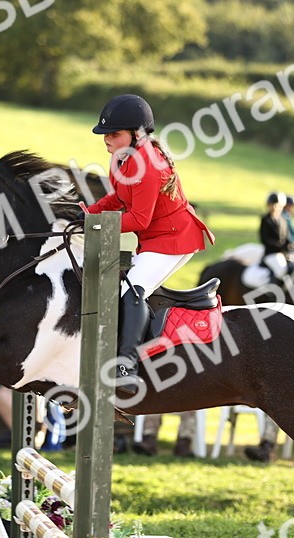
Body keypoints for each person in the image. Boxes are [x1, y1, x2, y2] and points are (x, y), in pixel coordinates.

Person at [82, 94, 214, 397]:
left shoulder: (150, 164)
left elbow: (139, 219)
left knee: (132, 289)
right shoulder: (121, 158)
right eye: (106, 135)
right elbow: (118, 199)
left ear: (136, 133)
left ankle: (126, 366)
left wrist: (97, 225)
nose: (107, 140)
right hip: (155, 239)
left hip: (176, 238)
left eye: (114, 134)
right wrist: (88, 213)